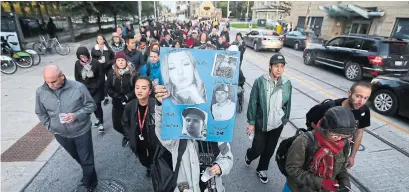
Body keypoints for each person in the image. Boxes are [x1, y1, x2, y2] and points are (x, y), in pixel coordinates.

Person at [154, 85, 234, 192]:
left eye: (196, 120)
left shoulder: (217, 137)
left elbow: (228, 158)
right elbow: (161, 130)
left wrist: (220, 166)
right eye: (188, 120)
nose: (191, 123)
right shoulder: (177, 140)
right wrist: (160, 105)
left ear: (203, 122)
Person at [35, 65, 98, 192]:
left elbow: (91, 105)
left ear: (62, 76)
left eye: (53, 81)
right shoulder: (40, 92)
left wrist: (76, 115)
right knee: (77, 157)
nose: (50, 85)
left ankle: (90, 183)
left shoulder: (78, 87)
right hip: (60, 134)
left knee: (86, 159)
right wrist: (50, 126)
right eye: (47, 82)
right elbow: (40, 112)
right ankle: (89, 172)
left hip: (81, 131)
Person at [285, 106, 356, 192]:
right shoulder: (303, 141)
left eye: (343, 136)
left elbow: (341, 167)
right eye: (335, 135)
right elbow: (292, 169)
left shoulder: (343, 143)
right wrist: (322, 182)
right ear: (325, 128)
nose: (338, 139)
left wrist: (345, 182)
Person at [245, 54, 292, 184]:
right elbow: (253, 102)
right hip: (262, 122)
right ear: (270, 67)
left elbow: (288, 103)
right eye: (276, 66)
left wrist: (285, 118)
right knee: (258, 148)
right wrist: (251, 122)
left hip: (277, 124)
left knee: (270, 149)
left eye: (282, 66)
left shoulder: (287, 83)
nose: (279, 69)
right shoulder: (260, 81)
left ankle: (262, 169)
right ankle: (250, 154)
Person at [306, 81, 372, 169]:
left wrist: (352, 156)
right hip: (318, 149)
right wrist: (328, 137)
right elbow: (311, 121)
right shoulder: (330, 107)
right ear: (349, 93)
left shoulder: (364, 111)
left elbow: (359, 133)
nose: (361, 102)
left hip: (340, 153)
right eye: (358, 96)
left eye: (365, 98)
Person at [122, 76, 157, 178]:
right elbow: (125, 123)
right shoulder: (129, 106)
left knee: (156, 161)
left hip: (154, 143)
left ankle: (155, 169)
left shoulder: (156, 106)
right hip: (139, 143)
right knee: (144, 161)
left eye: (144, 88)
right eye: (137, 87)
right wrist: (131, 138)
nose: (139, 91)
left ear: (150, 91)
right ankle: (149, 167)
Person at [106, 52, 136, 147]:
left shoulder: (132, 73)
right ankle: (127, 135)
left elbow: (137, 88)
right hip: (117, 102)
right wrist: (117, 96)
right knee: (117, 125)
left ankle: (132, 137)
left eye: (122, 60)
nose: (121, 62)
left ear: (126, 61)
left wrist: (127, 96)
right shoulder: (112, 73)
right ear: (115, 62)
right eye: (118, 60)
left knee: (131, 122)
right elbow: (108, 88)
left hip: (130, 102)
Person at [75, 46, 106, 133]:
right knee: (92, 106)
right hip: (85, 89)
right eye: (81, 57)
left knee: (97, 105)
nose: (83, 58)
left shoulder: (95, 63)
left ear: (88, 55)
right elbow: (77, 77)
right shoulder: (77, 64)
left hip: (96, 88)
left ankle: (101, 123)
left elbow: (101, 77)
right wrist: (81, 87)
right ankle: (97, 118)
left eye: (84, 56)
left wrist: (95, 87)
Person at [91, 34, 115, 106]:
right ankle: (106, 97)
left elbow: (113, 59)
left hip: (108, 68)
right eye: (98, 39)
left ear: (104, 40)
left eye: (101, 39)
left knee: (110, 81)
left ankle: (113, 95)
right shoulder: (94, 49)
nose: (99, 40)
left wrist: (108, 62)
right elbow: (92, 59)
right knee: (102, 83)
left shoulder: (108, 48)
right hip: (99, 69)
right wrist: (97, 61)